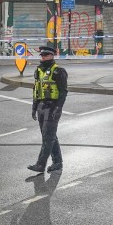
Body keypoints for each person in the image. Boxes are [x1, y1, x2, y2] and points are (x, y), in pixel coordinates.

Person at [28, 45, 68, 173]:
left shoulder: (58, 71)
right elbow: (36, 90)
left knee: (47, 136)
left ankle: (40, 165)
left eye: (45, 55)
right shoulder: (38, 71)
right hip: (41, 107)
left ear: (52, 55)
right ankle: (57, 162)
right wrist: (34, 108)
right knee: (49, 136)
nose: (43, 57)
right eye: (42, 55)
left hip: (52, 107)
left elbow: (63, 92)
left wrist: (58, 108)